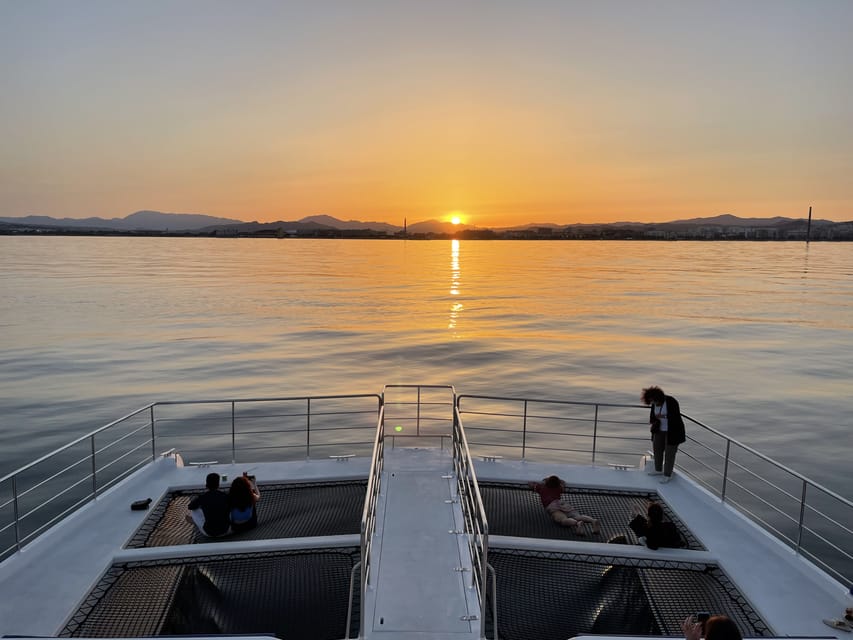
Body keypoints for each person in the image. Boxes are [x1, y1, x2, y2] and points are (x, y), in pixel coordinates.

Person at [641, 385, 686, 483]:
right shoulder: (654, 404)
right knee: (657, 450)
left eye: (653, 400)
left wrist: (664, 416)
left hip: (672, 432)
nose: (652, 403)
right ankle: (658, 469)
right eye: (650, 401)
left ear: (658, 397)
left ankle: (667, 474)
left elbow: (675, 416)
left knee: (670, 453)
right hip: (659, 430)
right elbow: (652, 417)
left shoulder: (671, 401)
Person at [529, 475, 600, 535]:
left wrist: (540, 482)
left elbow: (530, 484)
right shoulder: (559, 488)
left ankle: (577, 524)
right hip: (562, 503)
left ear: (546, 482)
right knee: (577, 516)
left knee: (563, 520)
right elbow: (563, 483)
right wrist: (559, 481)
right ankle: (592, 520)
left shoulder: (542, 487)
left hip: (552, 506)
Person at [186, 472, 230, 537]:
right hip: (226, 530)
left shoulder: (203, 497)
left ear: (207, 485)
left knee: (194, 510)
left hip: (209, 533)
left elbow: (190, 507)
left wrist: (199, 501)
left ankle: (196, 521)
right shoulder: (225, 496)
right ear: (218, 484)